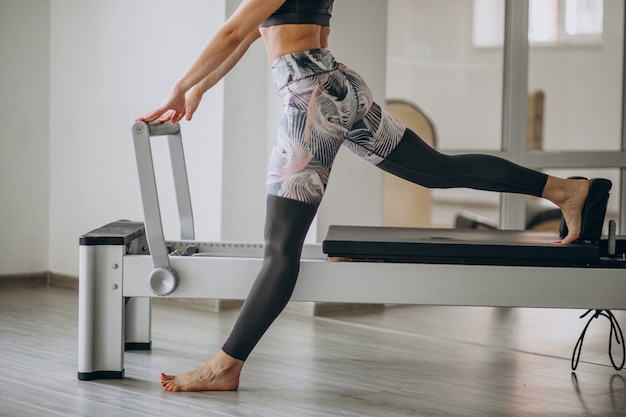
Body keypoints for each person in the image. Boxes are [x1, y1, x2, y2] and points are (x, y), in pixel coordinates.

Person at [137, 0, 611, 392]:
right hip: (340, 87)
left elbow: (232, 30)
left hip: (311, 101)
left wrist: (179, 86)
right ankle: (568, 191)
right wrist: (198, 89)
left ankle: (225, 365)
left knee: (280, 251)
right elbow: (244, 35)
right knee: (438, 170)